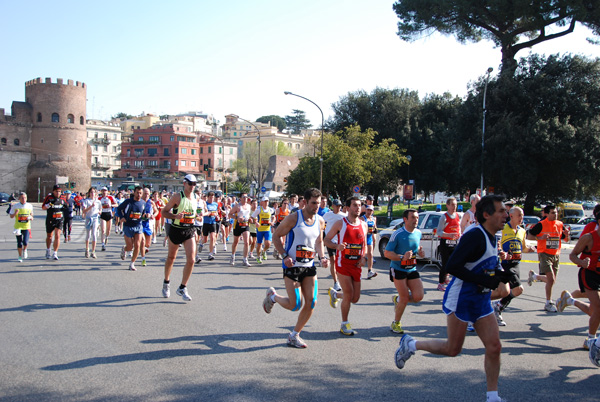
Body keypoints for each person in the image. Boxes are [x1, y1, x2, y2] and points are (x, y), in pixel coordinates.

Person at [394, 195, 511, 402]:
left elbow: (486, 266)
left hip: (481, 299)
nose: (506, 215)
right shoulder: (475, 235)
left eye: (506, 211)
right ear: (486, 214)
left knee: (494, 346)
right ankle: (411, 344)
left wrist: (503, 276)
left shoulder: (493, 235)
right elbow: (453, 266)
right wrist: (484, 279)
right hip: (462, 297)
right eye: (501, 211)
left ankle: (493, 396)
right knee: (452, 349)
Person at [263, 188, 329, 348]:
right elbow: (276, 235)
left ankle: (294, 335)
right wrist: (285, 255)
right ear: (305, 202)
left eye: (318, 204)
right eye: (313, 203)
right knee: (295, 305)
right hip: (292, 266)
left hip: (309, 266)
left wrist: (322, 257)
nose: (316, 207)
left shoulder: (320, 221)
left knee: (312, 302)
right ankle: (273, 297)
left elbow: (319, 241)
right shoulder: (294, 218)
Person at [324, 196, 368, 335]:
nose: (358, 208)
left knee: (355, 298)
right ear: (348, 208)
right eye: (355, 205)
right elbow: (326, 240)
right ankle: (344, 324)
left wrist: (364, 257)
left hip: (357, 265)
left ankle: (335, 294)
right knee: (349, 294)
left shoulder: (363, 224)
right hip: (343, 264)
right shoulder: (340, 223)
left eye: (360, 205)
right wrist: (337, 246)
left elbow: (364, 245)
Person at [557, 220, 600, 350]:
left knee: (594, 311)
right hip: (589, 275)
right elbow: (572, 255)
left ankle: (570, 300)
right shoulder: (589, 238)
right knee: (598, 308)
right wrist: (581, 262)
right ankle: (591, 340)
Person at [492, 207, 537, 326]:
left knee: (513, 291)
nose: (522, 218)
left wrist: (531, 249)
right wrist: (502, 252)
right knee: (519, 288)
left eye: (522, 215)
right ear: (511, 216)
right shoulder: (503, 228)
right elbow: (497, 244)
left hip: (516, 264)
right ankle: (497, 306)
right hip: (506, 265)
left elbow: (523, 247)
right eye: (519, 215)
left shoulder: (522, 231)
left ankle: (497, 307)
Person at [384, 209, 425, 334]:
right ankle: (395, 323)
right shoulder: (398, 234)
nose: (416, 220)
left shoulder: (418, 233)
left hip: (411, 268)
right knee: (405, 297)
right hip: (398, 268)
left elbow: (415, 248)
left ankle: (399, 300)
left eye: (417, 217)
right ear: (405, 220)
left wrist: (420, 253)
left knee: (419, 296)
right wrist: (402, 257)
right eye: (412, 217)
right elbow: (387, 253)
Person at [160, 175, 199, 302]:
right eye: (190, 184)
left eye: (194, 184)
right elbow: (164, 212)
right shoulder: (177, 197)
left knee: (192, 259)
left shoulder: (195, 197)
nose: (192, 186)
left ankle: (182, 287)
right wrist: (175, 216)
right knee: (171, 258)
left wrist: (197, 216)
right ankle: (166, 282)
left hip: (189, 230)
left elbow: (193, 213)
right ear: (184, 183)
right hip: (176, 229)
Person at [527, 204, 570, 312]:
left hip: (556, 254)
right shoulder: (541, 224)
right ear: (546, 214)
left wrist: (567, 235)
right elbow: (529, 236)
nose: (555, 214)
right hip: (544, 253)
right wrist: (541, 237)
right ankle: (548, 303)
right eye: (552, 212)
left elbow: (565, 239)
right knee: (551, 279)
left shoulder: (560, 224)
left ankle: (535, 276)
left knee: (552, 281)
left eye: (556, 212)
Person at [116, 186, 146, 271]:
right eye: (137, 193)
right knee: (130, 247)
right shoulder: (128, 202)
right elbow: (118, 209)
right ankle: (124, 249)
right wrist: (122, 217)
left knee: (137, 245)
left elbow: (143, 214)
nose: (139, 195)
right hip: (128, 226)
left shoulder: (143, 203)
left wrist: (145, 216)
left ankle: (132, 263)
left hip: (138, 226)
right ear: (134, 193)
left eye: (140, 193)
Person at [435, 197, 462, 291]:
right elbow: (438, 232)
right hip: (445, 243)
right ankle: (440, 283)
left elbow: (459, 229)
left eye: (456, 205)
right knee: (445, 264)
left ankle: (448, 278)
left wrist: (459, 236)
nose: (454, 207)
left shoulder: (458, 216)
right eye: (452, 205)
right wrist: (448, 235)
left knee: (454, 263)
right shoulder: (444, 217)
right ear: (447, 205)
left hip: (455, 243)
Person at [323, 199, 347, 291]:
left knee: (340, 262)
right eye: (337, 206)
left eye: (340, 206)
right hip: (330, 242)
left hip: (341, 242)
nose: (338, 208)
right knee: (333, 260)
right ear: (333, 206)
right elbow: (322, 224)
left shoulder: (344, 216)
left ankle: (342, 280)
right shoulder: (327, 215)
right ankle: (336, 282)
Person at [42, 185, 67, 260]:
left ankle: (55, 253)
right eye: (56, 191)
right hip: (50, 219)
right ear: (53, 191)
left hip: (59, 220)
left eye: (59, 191)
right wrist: (48, 205)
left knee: (57, 235)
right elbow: (43, 207)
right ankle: (48, 250)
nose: (58, 193)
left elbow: (66, 206)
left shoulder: (63, 198)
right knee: (49, 236)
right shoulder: (49, 198)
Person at [9, 192, 33, 262]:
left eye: (25, 198)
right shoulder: (16, 206)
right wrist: (15, 213)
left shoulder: (29, 205)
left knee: (25, 242)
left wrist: (31, 217)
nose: (24, 199)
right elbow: (11, 216)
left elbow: (32, 215)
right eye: (22, 198)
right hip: (18, 227)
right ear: (19, 199)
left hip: (26, 226)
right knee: (19, 243)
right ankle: (19, 256)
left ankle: (25, 250)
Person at [229, 193, 252, 267]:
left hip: (246, 225)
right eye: (244, 197)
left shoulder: (249, 206)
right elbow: (229, 214)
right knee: (236, 242)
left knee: (247, 242)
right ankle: (233, 256)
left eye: (246, 197)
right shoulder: (237, 206)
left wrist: (250, 219)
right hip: (238, 225)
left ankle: (245, 259)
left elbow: (249, 216)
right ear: (240, 198)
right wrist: (237, 218)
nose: (245, 198)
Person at [252, 196, 275, 264]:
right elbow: (252, 217)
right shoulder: (258, 210)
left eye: (267, 201)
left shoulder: (271, 210)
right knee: (259, 244)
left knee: (268, 244)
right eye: (265, 201)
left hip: (267, 229)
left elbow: (274, 217)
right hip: (260, 229)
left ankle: (264, 251)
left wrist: (272, 222)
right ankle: (259, 257)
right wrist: (256, 223)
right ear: (261, 202)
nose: (266, 202)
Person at [140, 188, 158, 267]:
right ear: (142, 193)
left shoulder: (151, 202)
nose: (146, 195)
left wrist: (153, 215)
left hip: (148, 224)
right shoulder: (139, 201)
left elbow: (156, 211)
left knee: (148, 244)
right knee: (143, 241)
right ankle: (143, 259)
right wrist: (142, 215)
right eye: (145, 193)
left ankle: (143, 249)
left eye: (148, 193)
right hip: (140, 224)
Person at [81, 187, 102, 258]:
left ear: (96, 194)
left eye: (94, 192)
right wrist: (91, 206)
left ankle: (93, 251)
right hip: (88, 218)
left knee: (94, 234)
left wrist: (100, 212)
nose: (92, 194)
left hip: (95, 218)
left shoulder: (98, 201)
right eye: (91, 192)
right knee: (88, 234)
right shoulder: (86, 201)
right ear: (89, 193)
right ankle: (87, 249)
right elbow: (84, 211)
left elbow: (100, 208)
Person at [361, 204, 378, 279]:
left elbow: (375, 228)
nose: (369, 212)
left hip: (369, 238)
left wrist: (374, 230)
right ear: (365, 210)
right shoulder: (362, 218)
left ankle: (370, 271)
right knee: (362, 255)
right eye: (368, 210)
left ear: (373, 211)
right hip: (362, 239)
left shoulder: (374, 219)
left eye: (371, 210)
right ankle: (358, 271)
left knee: (370, 254)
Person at [98, 187, 117, 251]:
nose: (104, 192)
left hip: (109, 214)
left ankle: (107, 237)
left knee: (108, 230)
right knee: (103, 230)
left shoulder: (110, 197)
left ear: (107, 191)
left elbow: (116, 204)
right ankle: (103, 244)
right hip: (102, 214)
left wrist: (111, 205)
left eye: (105, 191)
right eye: (103, 191)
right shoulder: (99, 198)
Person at [202, 192, 219, 261]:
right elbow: (203, 212)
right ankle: (201, 243)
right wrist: (207, 213)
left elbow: (216, 212)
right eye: (210, 197)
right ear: (208, 197)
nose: (211, 199)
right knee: (205, 239)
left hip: (213, 222)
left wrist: (216, 215)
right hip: (206, 222)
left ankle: (210, 254)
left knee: (212, 237)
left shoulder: (215, 204)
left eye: (213, 198)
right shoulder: (205, 204)